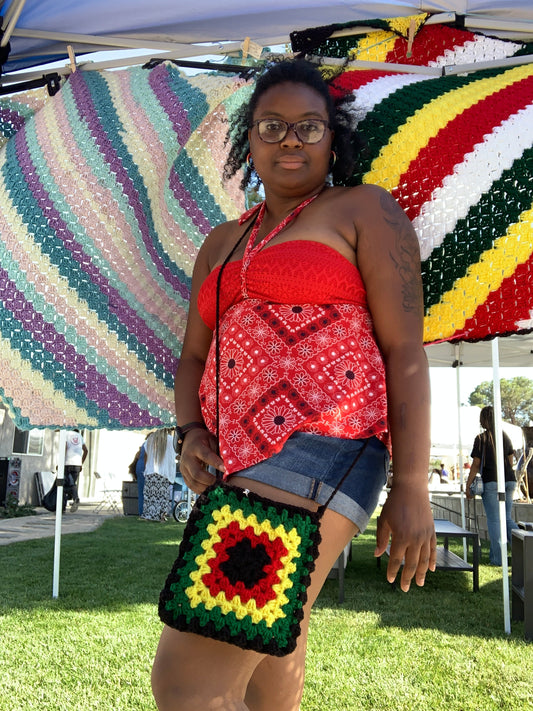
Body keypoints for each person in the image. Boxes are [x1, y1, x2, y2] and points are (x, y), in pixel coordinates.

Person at [152, 59, 436, 711]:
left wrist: (413, 485)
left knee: (186, 680)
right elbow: (192, 358)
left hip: (325, 449)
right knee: (264, 670)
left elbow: (404, 351)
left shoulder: (361, 209)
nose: (289, 140)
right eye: (271, 126)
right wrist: (191, 429)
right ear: (246, 141)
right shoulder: (222, 243)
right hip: (238, 462)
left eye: (308, 127)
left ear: (332, 139)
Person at [466, 405, 519, 565]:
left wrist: (468, 485)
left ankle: (497, 559)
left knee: (495, 521)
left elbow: (476, 464)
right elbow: (510, 460)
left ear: (483, 420)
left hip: (492, 482)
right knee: (507, 518)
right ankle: (525, 549)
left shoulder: (481, 438)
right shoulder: (504, 435)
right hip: (509, 480)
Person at [141, 429, 176, 521]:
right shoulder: (170, 440)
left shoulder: (150, 439)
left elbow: (146, 455)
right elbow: (175, 454)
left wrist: (146, 468)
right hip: (163, 473)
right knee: (162, 496)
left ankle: (149, 515)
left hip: (150, 471)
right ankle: (161, 516)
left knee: (150, 496)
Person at [64, 428, 88, 513]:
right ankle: (64, 505)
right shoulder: (80, 436)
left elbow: (65, 448)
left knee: (65, 484)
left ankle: (75, 498)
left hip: (67, 464)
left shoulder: (66, 434)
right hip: (77, 464)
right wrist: (81, 463)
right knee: (70, 484)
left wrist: (60, 463)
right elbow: (86, 451)